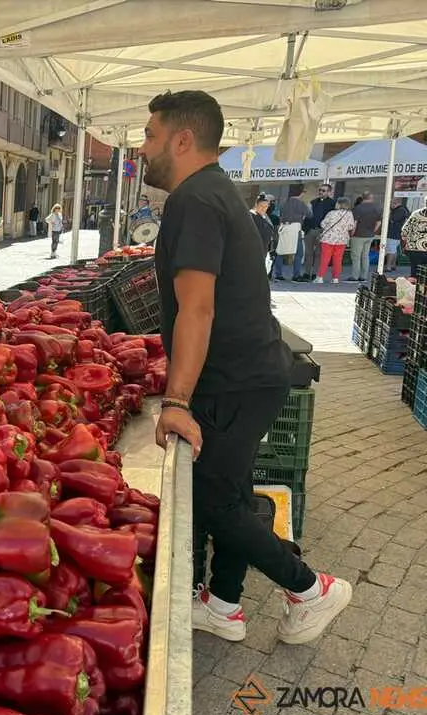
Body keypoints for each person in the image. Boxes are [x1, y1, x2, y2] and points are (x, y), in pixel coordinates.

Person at [138, 89, 351, 645]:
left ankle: (310, 589)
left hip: (233, 381)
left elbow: (197, 307)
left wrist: (176, 400)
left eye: (151, 135)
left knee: (214, 501)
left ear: (182, 140)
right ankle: (224, 604)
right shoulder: (215, 192)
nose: (143, 148)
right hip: (249, 376)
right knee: (229, 491)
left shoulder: (193, 201)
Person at [296, 183, 336, 282]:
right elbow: (307, 215)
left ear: (329, 192)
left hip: (322, 231)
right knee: (308, 253)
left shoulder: (332, 204)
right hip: (310, 230)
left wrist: (326, 231)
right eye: (320, 190)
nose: (321, 192)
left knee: (319, 253)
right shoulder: (313, 202)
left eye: (323, 190)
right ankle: (307, 273)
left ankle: (315, 273)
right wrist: (305, 228)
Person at [314, 196, 356, 284]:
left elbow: (323, 224)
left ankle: (320, 277)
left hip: (328, 239)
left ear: (339, 204)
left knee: (325, 259)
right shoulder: (349, 214)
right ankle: (335, 278)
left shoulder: (331, 213)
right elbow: (351, 226)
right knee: (338, 260)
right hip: (342, 240)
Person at [274, 186, 311, 281]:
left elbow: (280, 214)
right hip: (295, 228)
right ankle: (296, 275)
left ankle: (278, 274)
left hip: (284, 228)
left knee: (281, 251)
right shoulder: (301, 203)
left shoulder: (284, 203)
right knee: (299, 253)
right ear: (301, 193)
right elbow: (309, 214)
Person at [348, 191, 382, 282]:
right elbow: (379, 222)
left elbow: (354, 222)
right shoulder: (377, 208)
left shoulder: (357, 208)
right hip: (370, 235)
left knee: (356, 256)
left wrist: (352, 234)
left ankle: (355, 276)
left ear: (362, 197)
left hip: (358, 235)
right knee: (365, 255)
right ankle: (364, 276)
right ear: (371, 198)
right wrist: (373, 231)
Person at [249, 193, 277, 274]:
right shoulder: (250, 216)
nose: (264, 208)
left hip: (264, 251)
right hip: (252, 253)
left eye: (266, 206)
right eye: (261, 206)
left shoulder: (265, 217)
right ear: (256, 205)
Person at [401, 204, 427, 280]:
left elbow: (404, 230)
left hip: (414, 248)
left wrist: (405, 239)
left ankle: (415, 285)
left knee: (415, 274)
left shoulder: (416, 213)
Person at [385, 197, 410, 273]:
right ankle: (393, 265)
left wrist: (388, 214)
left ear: (395, 203)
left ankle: (388, 266)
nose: (390, 204)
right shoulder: (403, 210)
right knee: (394, 250)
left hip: (393, 233)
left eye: (391, 202)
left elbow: (392, 220)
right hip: (397, 233)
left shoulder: (400, 210)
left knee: (391, 250)